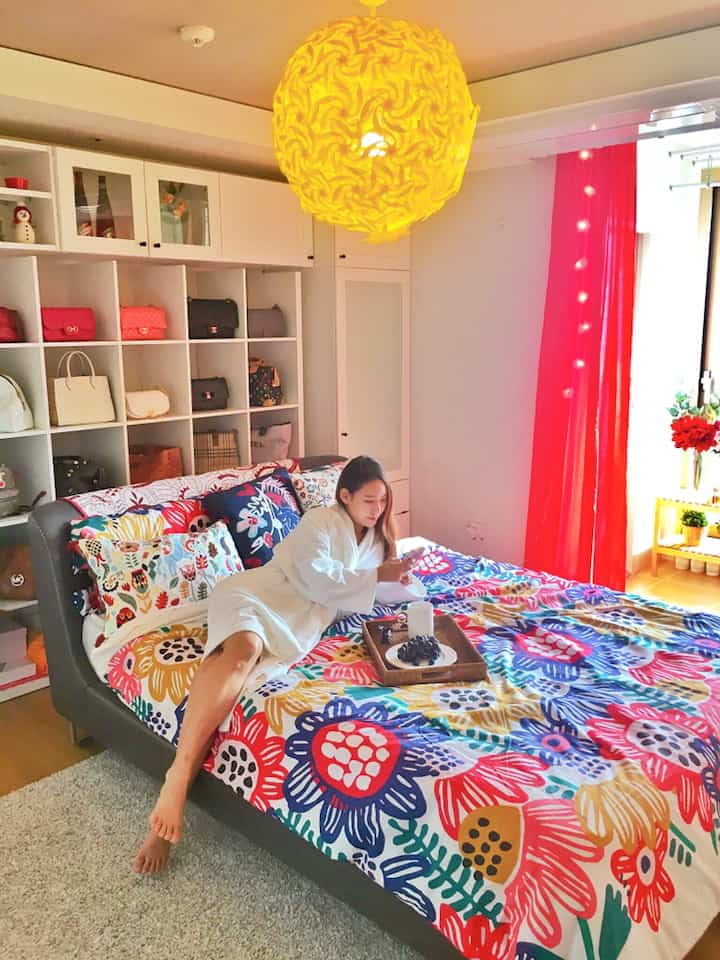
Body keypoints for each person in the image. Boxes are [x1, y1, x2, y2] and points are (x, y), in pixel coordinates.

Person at [133, 455, 422, 874]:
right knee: (242, 654)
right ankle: (176, 779)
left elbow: (379, 589)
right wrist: (378, 577)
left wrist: (412, 593)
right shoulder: (319, 523)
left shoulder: (376, 542)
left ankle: (178, 777)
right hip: (259, 595)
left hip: (301, 621)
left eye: (383, 501)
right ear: (345, 496)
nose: (378, 510)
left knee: (238, 684)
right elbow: (320, 582)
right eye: (369, 500)